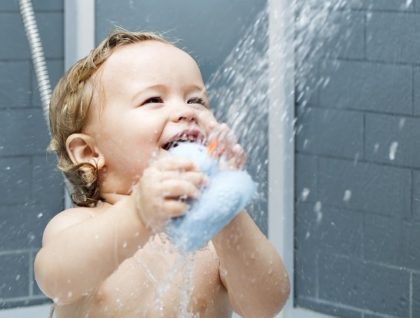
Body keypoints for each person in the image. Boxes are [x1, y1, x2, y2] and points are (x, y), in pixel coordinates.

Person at [34, 30, 290, 318]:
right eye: (153, 99)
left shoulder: (212, 239)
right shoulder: (78, 225)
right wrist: (138, 214)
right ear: (89, 153)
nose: (186, 111)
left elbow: (266, 305)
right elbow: (57, 281)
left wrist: (226, 208)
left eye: (196, 101)